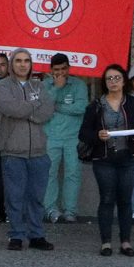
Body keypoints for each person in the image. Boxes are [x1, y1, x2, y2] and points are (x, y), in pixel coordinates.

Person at [80, 63, 134, 256]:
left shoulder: (133, 103)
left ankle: (126, 242)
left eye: (117, 78)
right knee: (107, 199)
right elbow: (84, 133)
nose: (113, 82)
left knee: (125, 200)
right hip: (104, 159)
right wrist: (97, 136)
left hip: (129, 159)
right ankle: (106, 242)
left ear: (124, 80)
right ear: (104, 82)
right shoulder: (96, 105)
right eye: (109, 78)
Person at [0, 49, 57, 251]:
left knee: (37, 197)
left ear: (31, 63)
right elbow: (11, 109)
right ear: (12, 64)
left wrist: (27, 110)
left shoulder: (39, 85)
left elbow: (47, 111)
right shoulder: (3, 86)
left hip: (38, 151)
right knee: (15, 196)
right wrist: (33, 106)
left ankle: (37, 235)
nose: (22, 64)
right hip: (13, 151)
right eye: (18, 61)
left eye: (26, 61)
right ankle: (16, 235)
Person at [40, 54, 90, 225]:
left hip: (73, 137)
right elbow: (43, 108)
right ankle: (51, 210)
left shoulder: (79, 85)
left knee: (73, 174)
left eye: (63, 69)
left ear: (69, 68)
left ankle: (70, 211)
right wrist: (56, 88)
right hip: (50, 136)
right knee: (49, 174)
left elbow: (81, 107)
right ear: (50, 70)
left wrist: (58, 106)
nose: (60, 73)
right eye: (56, 70)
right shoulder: (44, 85)